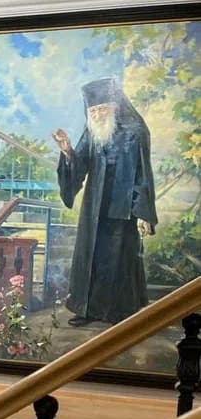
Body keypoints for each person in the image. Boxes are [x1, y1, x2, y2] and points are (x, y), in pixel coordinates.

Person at [52, 76, 157, 326]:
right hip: (95, 206)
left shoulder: (135, 131)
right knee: (91, 257)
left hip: (123, 207)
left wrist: (142, 212)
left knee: (118, 261)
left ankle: (118, 313)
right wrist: (67, 151)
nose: (97, 115)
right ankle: (87, 310)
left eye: (102, 109)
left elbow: (143, 173)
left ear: (115, 106)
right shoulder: (93, 131)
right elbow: (80, 165)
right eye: (93, 111)